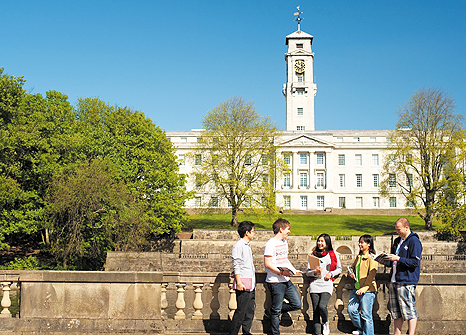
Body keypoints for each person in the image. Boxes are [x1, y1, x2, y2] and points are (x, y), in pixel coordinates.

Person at [264, 218, 302, 335]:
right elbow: (267, 264)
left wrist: (293, 269)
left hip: (286, 280)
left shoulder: (284, 242)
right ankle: (275, 333)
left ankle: (270, 311)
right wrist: (281, 273)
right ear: (281, 229)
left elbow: (284, 259)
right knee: (276, 311)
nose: (289, 232)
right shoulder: (270, 244)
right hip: (275, 281)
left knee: (297, 304)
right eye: (287, 229)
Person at [384, 217, 423, 335]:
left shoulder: (414, 241)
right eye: (396, 230)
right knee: (396, 312)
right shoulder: (397, 241)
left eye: (399, 230)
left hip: (407, 280)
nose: (397, 232)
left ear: (407, 228)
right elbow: (392, 262)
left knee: (409, 310)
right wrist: (385, 259)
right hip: (394, 279)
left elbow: (415, 262)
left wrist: (398, 258)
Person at [306, 233, 342, 335]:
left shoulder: (333, 254)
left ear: (327, 242)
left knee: (322, 306)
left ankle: (326, 322)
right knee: (316, 311)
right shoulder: (313, 255)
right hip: (315, 284)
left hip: (326, 284)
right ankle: (317, 332)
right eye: (319, 241)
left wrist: (331, 274)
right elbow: (307, 272)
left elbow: (339, 269)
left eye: (322, 241)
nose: (319, 243)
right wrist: (314, 271)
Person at [347, 235, 378, 335]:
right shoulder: (359, 257)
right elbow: (352, 268)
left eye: (362, 242)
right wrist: (351, 273)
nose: (360, 244)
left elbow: (371, 276)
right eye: (359, 242)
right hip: (356, 288)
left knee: (366, 315)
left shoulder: (372, 258)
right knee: (351, 310)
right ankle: (362, 328)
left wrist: (364, 289)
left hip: (368, 291)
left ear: (369, 244)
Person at [230, 221, 256, 335]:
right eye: (253, 231)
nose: (254, 234)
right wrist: (239, 282)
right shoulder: (238, 245)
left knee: (250, 311)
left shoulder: (247, 246)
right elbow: (237, 263)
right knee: (241, 311)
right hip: (244, 283)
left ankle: (246, 331)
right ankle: (233, 332)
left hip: (251, 282)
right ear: (247, 233)